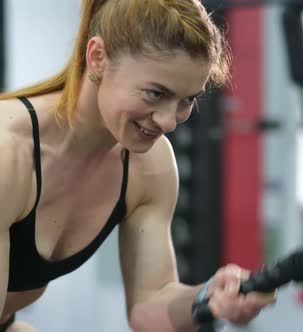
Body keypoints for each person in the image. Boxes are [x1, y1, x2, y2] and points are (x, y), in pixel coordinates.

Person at [0, 0, 277, 331]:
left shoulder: (149, 165)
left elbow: (149, 307)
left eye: (187, 100)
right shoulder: (9, 153)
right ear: (97, 58)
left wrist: (209, 297)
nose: (169, 122)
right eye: (156, 94)